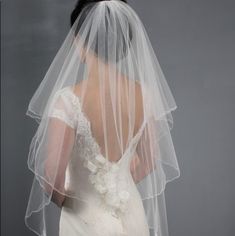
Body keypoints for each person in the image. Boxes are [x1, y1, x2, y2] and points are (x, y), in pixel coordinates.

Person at [24, 0, 180, 235]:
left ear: (79, 41)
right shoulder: (144, 96)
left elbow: (51, 177)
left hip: (85, 222)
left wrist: (69, 203)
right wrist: (118, 186)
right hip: (132, 216)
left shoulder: (68, 101)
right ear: (125, 42)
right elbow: (149, 160)